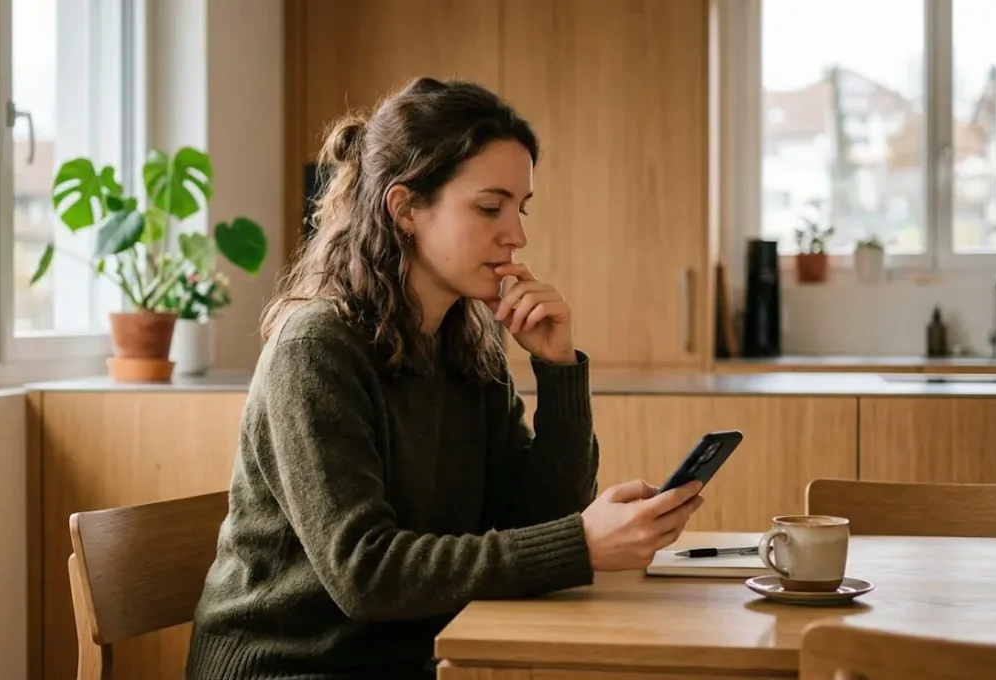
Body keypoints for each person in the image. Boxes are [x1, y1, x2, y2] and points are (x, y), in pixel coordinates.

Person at [184, 76, 705, 680]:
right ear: (405, 209)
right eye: (490, 207)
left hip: (427, 657)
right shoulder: (316, 348)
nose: (517, 234)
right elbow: (367, 575)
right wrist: (579, 545)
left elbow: (533, 520)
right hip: (293, 668)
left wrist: (557, 371)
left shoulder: (465, 343)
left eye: (520, 208)